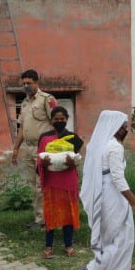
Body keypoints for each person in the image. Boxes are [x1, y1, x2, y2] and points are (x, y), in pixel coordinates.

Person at [79, 110, 135, 270]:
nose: (126, 130)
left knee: (111, 238)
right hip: (114, 196)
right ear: (115, 127)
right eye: (124, 127)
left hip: (104, 194)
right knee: (122, 238)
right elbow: (118, 178)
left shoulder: (101, 145)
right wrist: (134, 203)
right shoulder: (115, 147)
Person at [11, 69, 57, 229]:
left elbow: (57, 121)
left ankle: (43, 220)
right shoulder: (24, 103)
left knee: (41, 184)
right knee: (33, 185)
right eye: (24, 83)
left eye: (29, 83)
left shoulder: (46, 99)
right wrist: (16, 149)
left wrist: (55, 146)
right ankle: (40, 217)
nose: (26, 86)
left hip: (43, 149)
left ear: (37, 82)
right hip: (29, 148)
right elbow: (22, 128)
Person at [37, 106, 84, 259]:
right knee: (50, 214)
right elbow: (39, 161)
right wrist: (43, 164)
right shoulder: (44, 138)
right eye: (56, 119)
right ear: (51, 120)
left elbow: (77, 159)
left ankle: (68, 245)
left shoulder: (73, 138)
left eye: (62, 119)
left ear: (67, 120)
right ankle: (48, 246)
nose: (59, 122)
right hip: (51, 182)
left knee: (69, 214)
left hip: (68, 181)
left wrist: (72, 163)